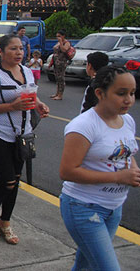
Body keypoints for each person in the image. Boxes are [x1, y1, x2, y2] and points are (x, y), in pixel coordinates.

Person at [59, 65, 138, 270]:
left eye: (132, 93)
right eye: (121, 94)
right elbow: (67, 171)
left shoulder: (127, 120)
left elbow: (128, 153)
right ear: (100, 93)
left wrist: (134, 173)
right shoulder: (84, 126)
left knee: (85, 265)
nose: (128, 99)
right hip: (84, 208)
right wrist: (120, 177)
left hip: (114, 208)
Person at [0, 34, 50, 244]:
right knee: (6, 179)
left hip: (22, 134)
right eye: (13, 49)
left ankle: (5, 221)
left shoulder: (27, 72)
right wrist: (11, 107)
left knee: (15, 180)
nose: (19, 53)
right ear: (0, 52)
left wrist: (38, 104)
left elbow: (29, 95)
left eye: (21, 49)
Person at [48, 29, 72, 101]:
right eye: (57, 36)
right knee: (57, 78)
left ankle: (60, 95)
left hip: (62, 62)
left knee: (61, 78)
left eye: (59, 36)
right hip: (56, 62)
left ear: (63, 36)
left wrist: (61, 42)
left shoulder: (66, 42)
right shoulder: (58, 43)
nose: (57, 37)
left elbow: (64, 50)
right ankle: (57, 93)